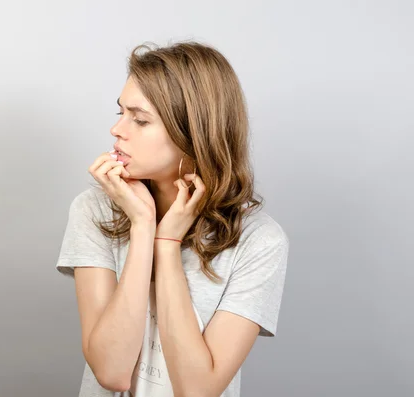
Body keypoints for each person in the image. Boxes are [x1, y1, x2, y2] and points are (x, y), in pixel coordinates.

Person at [55, 40, 290, 397]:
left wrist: (166, 246)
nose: (117, 130)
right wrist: (143, 226)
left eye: (140, 119)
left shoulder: (259, 241)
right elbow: (110, 370)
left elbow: (197, 390)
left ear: (193, 133)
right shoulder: (94, 210)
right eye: (120, 113)